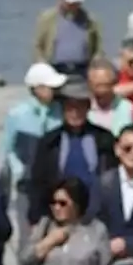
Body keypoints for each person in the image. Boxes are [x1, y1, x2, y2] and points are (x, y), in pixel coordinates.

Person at [25, 84, 117, 225]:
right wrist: (36, 217)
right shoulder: (50, 141)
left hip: (97, 214)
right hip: (59, 213)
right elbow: (38, 181)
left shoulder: (104, 139)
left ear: (87, 107)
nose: (75, 113)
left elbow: (112, 175)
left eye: (79, 107)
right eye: (70, 107)